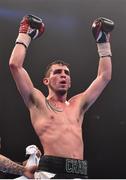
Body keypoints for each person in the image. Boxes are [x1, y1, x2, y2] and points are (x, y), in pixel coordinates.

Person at [9, 14, 114, 179]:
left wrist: (103, 42)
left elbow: (105, 76)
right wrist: (25, 33)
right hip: (50, 172)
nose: (63, 75)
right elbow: (15, 65)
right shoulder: (38, 102)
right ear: (46, 80)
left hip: (80, 173)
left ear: (70, 81)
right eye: (57, 72)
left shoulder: (78, 104)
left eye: (66, 73)